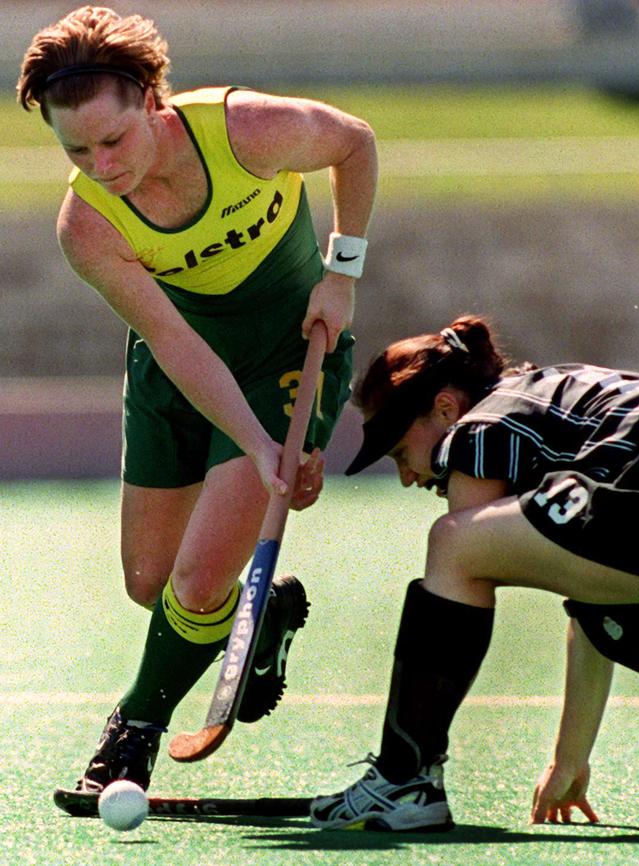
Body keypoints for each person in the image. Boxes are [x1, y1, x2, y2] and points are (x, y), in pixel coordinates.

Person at [17, 6, 377, 793]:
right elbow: (177, 346)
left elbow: (354, 142)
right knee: (152, 583)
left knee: (200, 585)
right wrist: (256, 444)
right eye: (76, 149)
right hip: (181, 366)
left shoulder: (246, 131)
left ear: (151, 100)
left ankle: (133, 729)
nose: (101, 165)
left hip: (288, 351)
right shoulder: (87, 228)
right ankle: (265, 612)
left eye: (112, 140)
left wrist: (341, 273)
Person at [308, 314, 639, 832]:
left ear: (445, 407)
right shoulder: (549, 406)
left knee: (454, 543)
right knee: (611, 616)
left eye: (402, 453)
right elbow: (592, 591)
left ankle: (404, 780)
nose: (407, 478)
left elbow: (465, 549)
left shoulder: (482, 425)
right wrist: (568, 759)